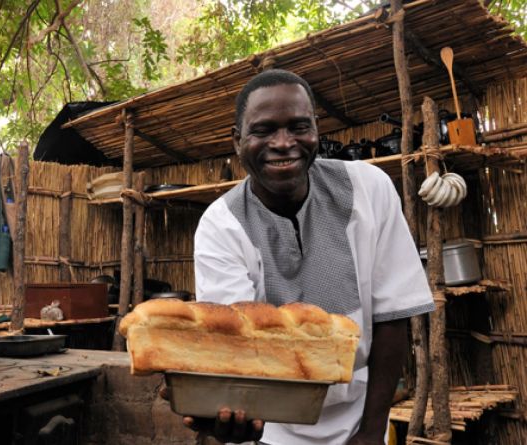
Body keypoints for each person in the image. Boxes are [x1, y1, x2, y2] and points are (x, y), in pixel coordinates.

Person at [186, 69, 435, 444]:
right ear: (237, 140)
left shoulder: (369, 190)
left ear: (316, 130)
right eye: (264, 130)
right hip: (272, 426)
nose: (284, 143)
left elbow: (391, 317)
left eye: (299, 127)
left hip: (362, 415)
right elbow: (236, 347)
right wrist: (238, 425)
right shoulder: (221, 225)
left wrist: (370, 432)